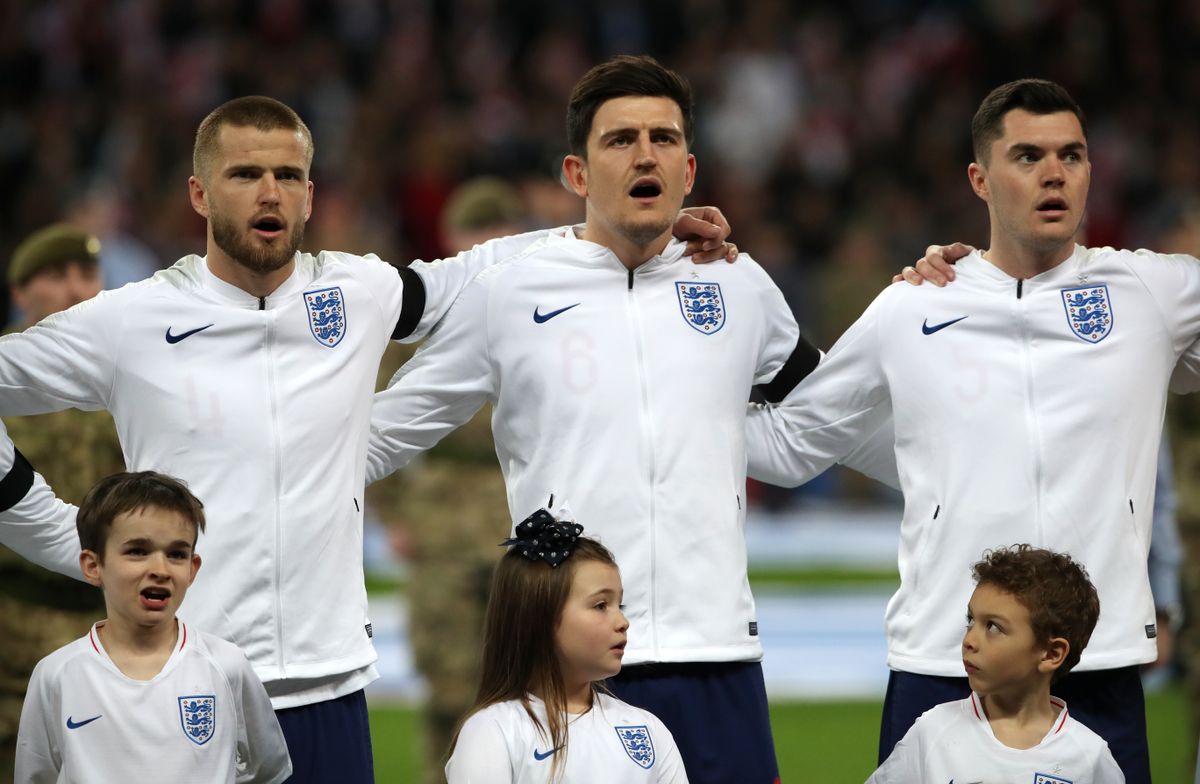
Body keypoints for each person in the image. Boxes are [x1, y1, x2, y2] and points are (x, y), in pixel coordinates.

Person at [0, 95, 733, 782]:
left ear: (311, 197)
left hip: (331, 688)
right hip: (186, 686)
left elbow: (477, 270)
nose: (269, 193)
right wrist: (56, 531)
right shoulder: (130, 322)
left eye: (289, 176)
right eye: (245, 174)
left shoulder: (354, 294)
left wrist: (644, 229)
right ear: (199, 194)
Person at [367, 54, 896, 784]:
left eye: (664, 138)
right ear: (576, 175)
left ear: (689, 168)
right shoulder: (511, 293)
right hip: (567, 664)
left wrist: (914, 307)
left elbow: (821, 418)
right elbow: (387, 431)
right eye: (620, 139)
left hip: (715, 657)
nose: (645, 153)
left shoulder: (738, 284)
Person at [746, 78, 1200, 783]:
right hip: (944, 661)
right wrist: (684, 383)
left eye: (1072, 156)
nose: (1055, 173)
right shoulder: (914, 305)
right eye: (1027, 156)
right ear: (979, 179)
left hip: (1095, 658)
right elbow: (790, 442)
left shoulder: (1153, 294)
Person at [368, 177, 530, 781]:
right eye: (477, 234)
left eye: (499, 233)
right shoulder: (422, 316)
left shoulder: (546, 309)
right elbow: (370, 416)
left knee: (532, 688)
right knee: (448, 688)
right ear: (452, 239)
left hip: (526, 512)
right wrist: (391, 513)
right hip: (441, 523)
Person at [15, 471, 291, 783]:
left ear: (192, 568)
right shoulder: (56, 674)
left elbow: (267, 770)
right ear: (93, 566)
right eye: (138, 551)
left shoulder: (227, 666)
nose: (160, 569)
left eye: (176, 554)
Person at [0, 224, 124, 775]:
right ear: (19, 292)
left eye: (87, 274)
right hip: (11, 628)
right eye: (56, 276)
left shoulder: (129, 378)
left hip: (108, 627)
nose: (77, 290)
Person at [445, 507, 688, 783]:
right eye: (600, 605)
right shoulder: (494, 732)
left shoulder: (646, 729)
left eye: (620, 605)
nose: (622, 621)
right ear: (539, 618)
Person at [867, 545, 1123, 783]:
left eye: (993, 627)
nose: (969, 640)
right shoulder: (932, 732)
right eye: (971, 620)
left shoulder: (1089, 757)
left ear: (1051, 653)